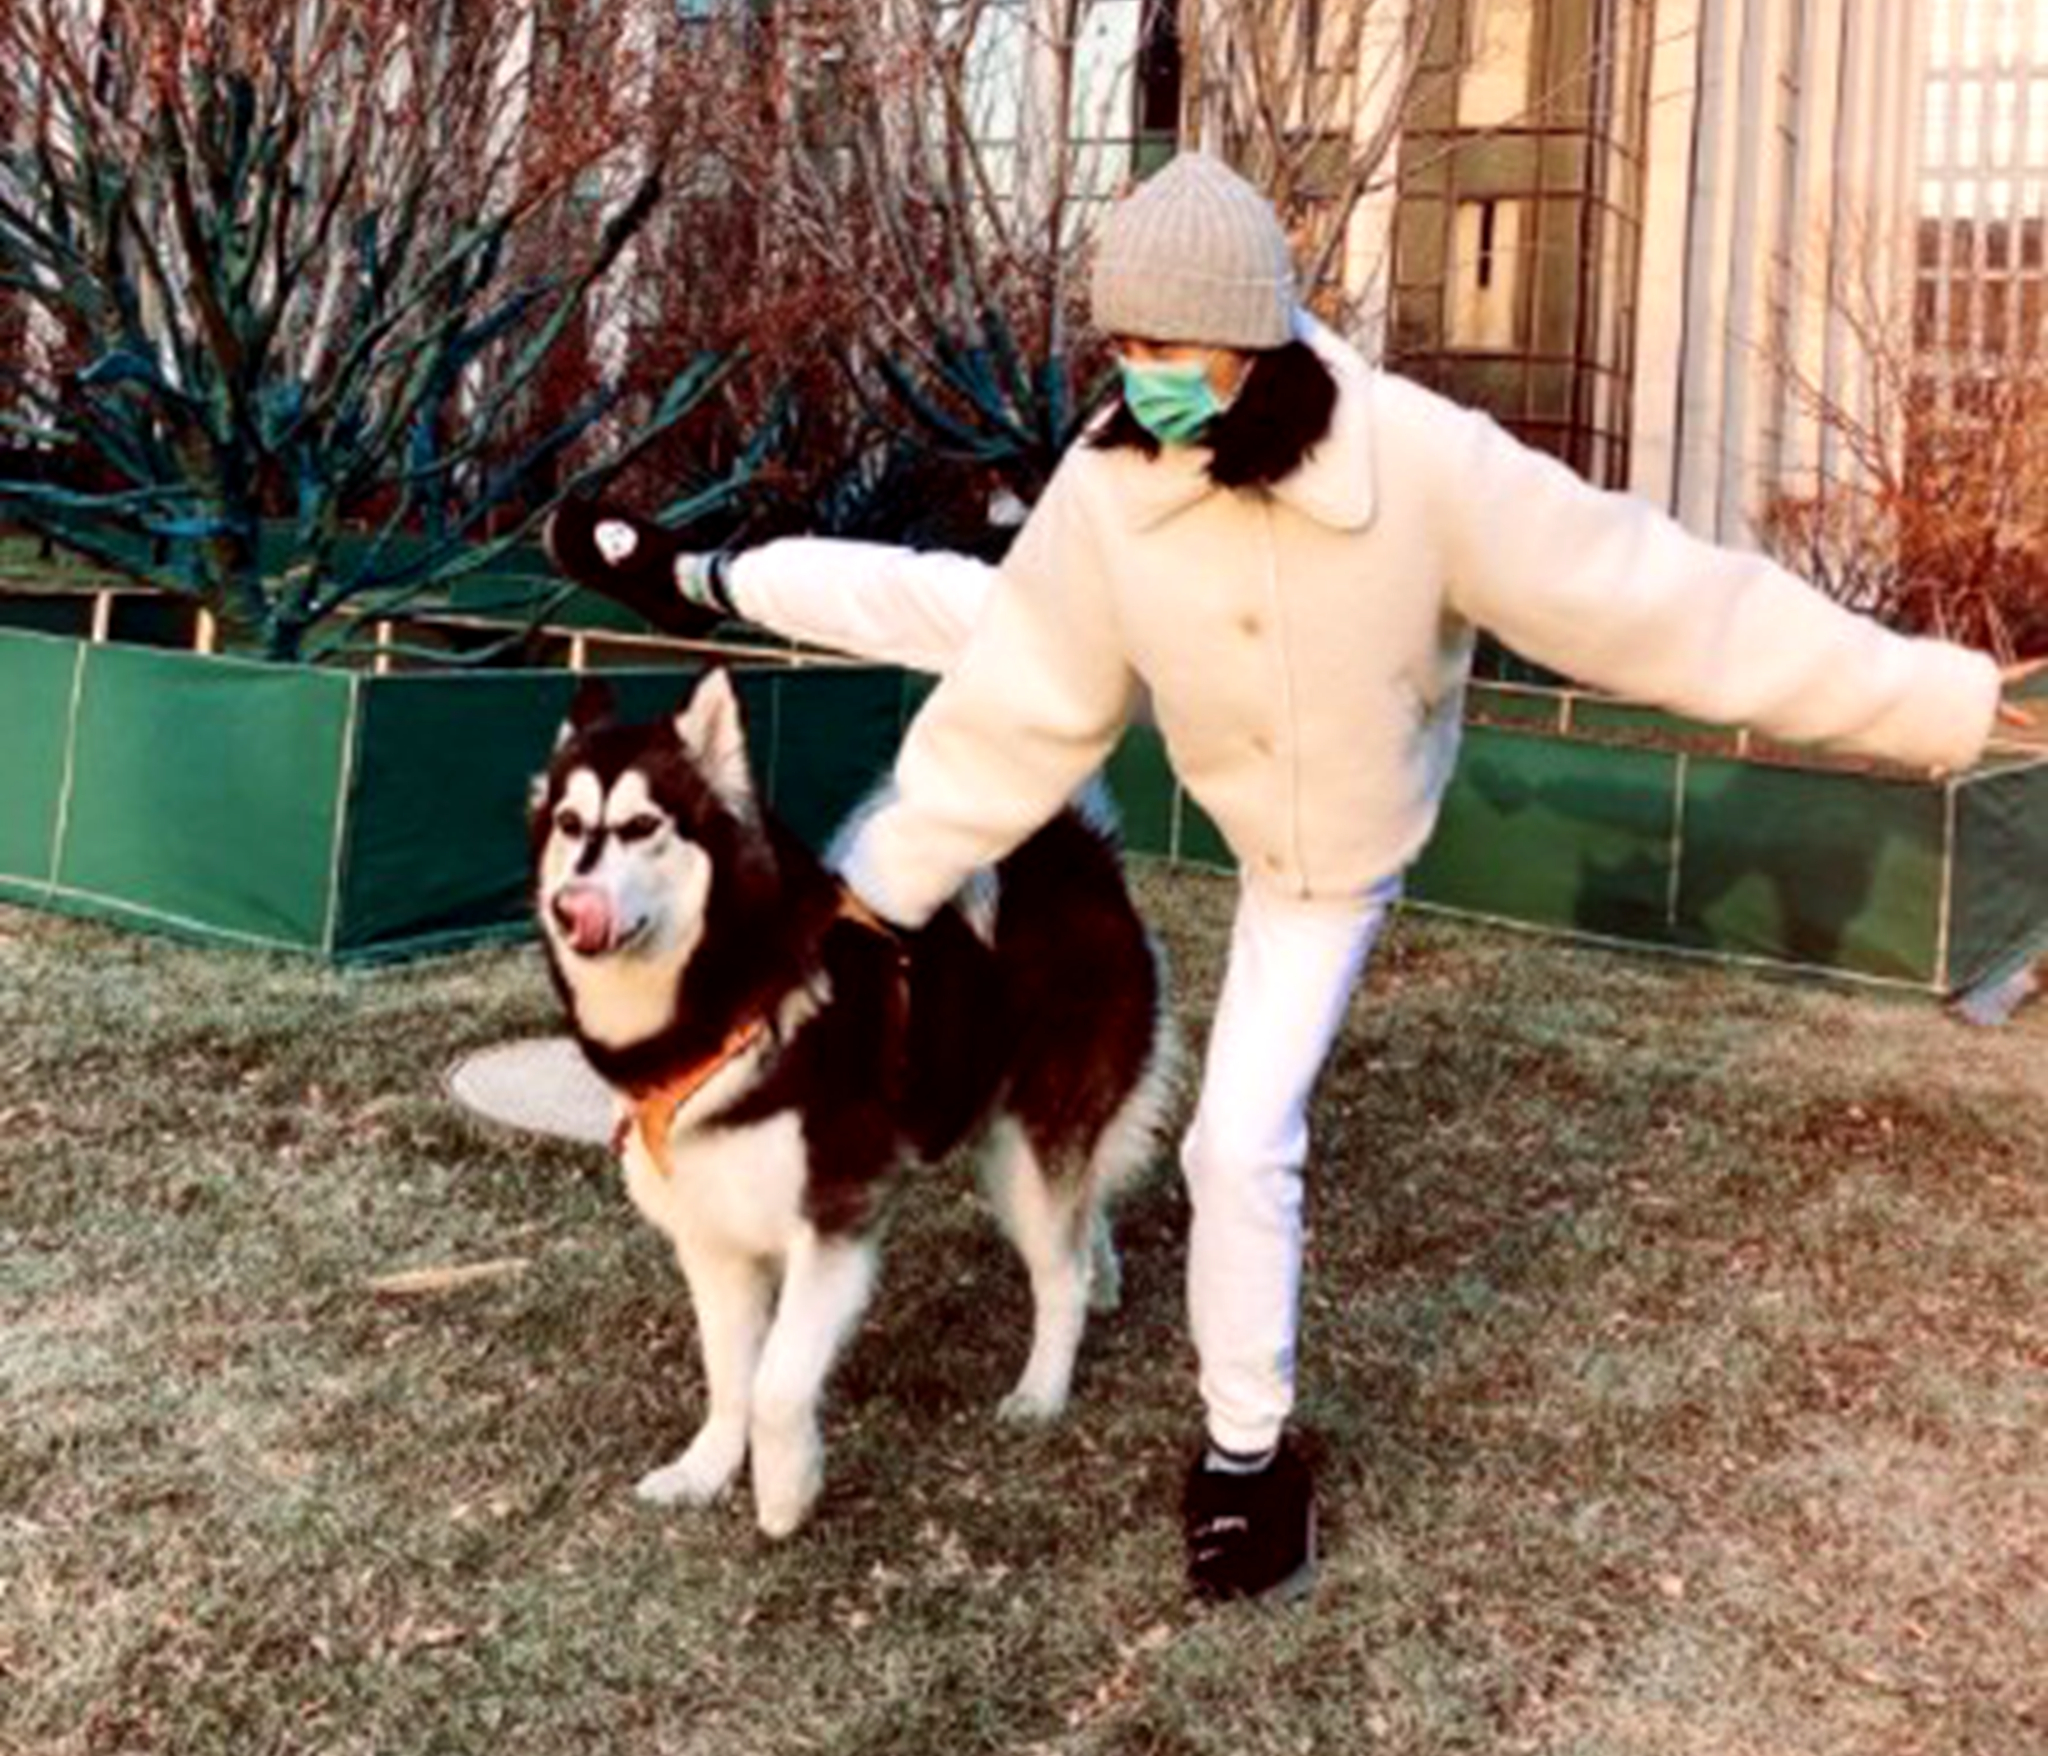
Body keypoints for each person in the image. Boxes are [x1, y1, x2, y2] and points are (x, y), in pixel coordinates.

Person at [552, 153, 2039, 1606]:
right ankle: (697, 573)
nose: (1143, 375)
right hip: (1199, 737)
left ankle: (1249, 1458)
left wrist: (1957, 701)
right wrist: (877, 891)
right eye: (1121, 345)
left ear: (1259, 336)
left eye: (1172, 346)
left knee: (1239, 1141)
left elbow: (1667, 605)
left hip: (1337, 861)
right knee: (948, 603)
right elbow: (1021, 707)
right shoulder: (1114, 482)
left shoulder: (1426, 464)